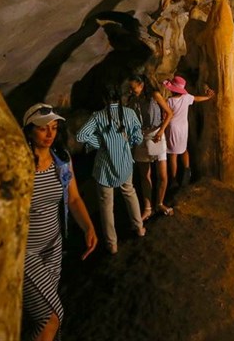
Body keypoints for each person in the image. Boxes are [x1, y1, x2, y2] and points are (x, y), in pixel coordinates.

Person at [21, 103, 97, 341]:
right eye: (43, 128)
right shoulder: (20, 164)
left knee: (44, 319)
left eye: (54, 128)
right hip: (25, 252)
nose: (50, 134)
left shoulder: (61, 159)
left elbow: (73, 198)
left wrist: (88, 227)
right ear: (29, 131)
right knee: (52, 317)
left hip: (53, 249)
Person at [76, 86, 146, 255]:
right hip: (125, 163)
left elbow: (80, 136)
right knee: (129, 192)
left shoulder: (98, 116)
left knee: (106, 205)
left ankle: (112, 244)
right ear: (119, 97)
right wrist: (127, 144)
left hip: (105, 168)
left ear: (104, 99)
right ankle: (139, 227)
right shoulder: (129, 113)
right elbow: (138, 136)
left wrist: (100, 143)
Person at [129, 74, 175, 219]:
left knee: (162, 175)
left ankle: (159, 203)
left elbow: (169, 113)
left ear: (141, 85)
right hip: (142, 136)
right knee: (145, 175)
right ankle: (148, 208)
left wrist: (161, 131)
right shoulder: (133, 100)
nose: (131, 91)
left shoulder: (155, 96)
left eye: (133, 88)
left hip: (156, 134)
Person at [162, 75, 216, 190]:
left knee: (173, 154)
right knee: (184, 149)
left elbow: (164, 116)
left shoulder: (169, 101)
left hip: (173, 128)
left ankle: (174, 180)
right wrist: (207, 97)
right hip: (183, 127)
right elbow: (196, 99)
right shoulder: (186, 98)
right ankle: (187, 169)